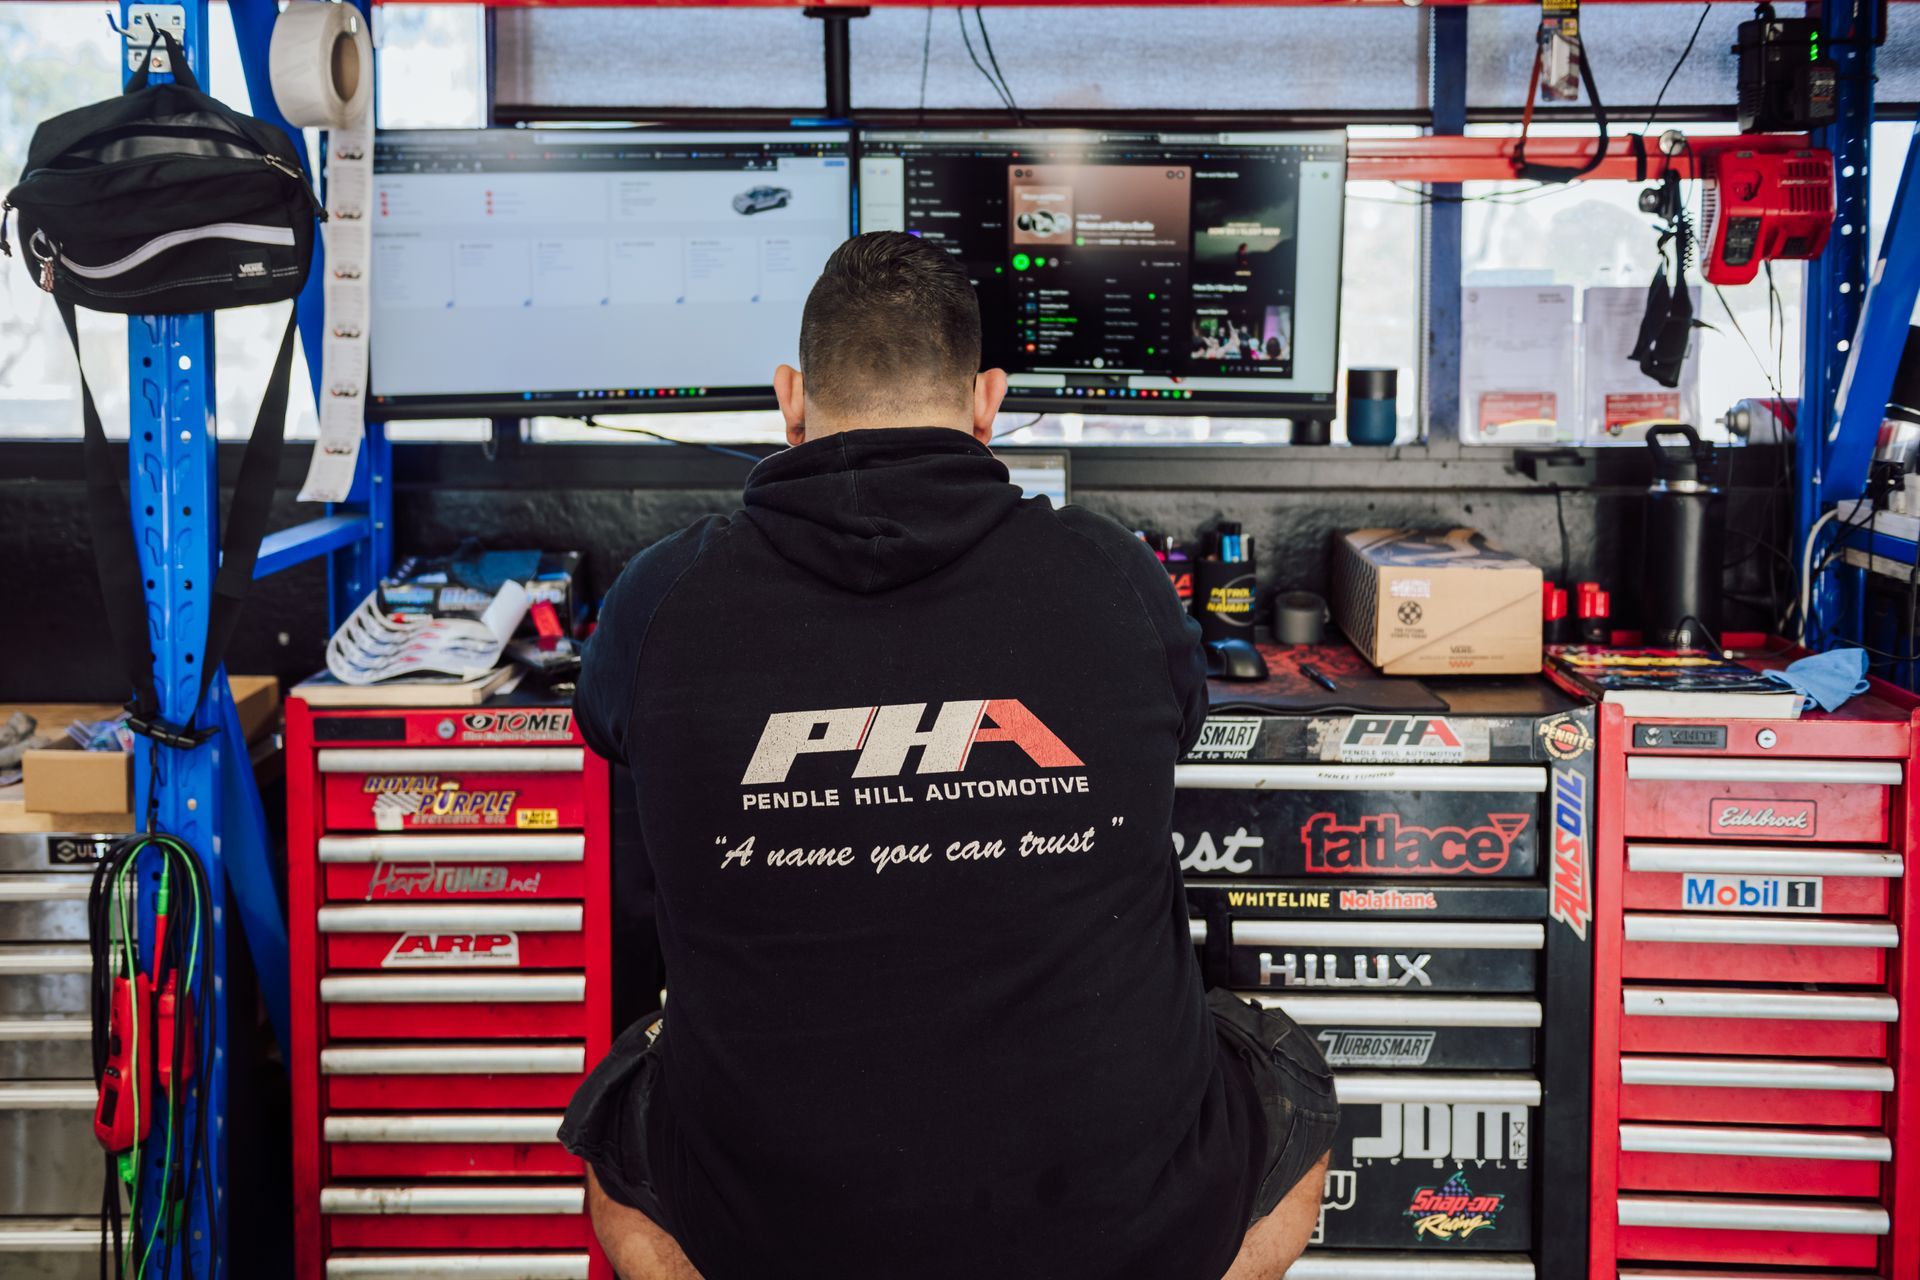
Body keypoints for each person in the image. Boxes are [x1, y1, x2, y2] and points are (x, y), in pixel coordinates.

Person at [561, 230, 1338, 1280]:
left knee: (618, 1118)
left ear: (791, 400)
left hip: (770, 1231)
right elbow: (1178, 718)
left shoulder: (658, 601)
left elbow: (607, 727)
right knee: (1291, 1080)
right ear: (986, 402)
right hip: (1118, 1227)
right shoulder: (1115, 578)